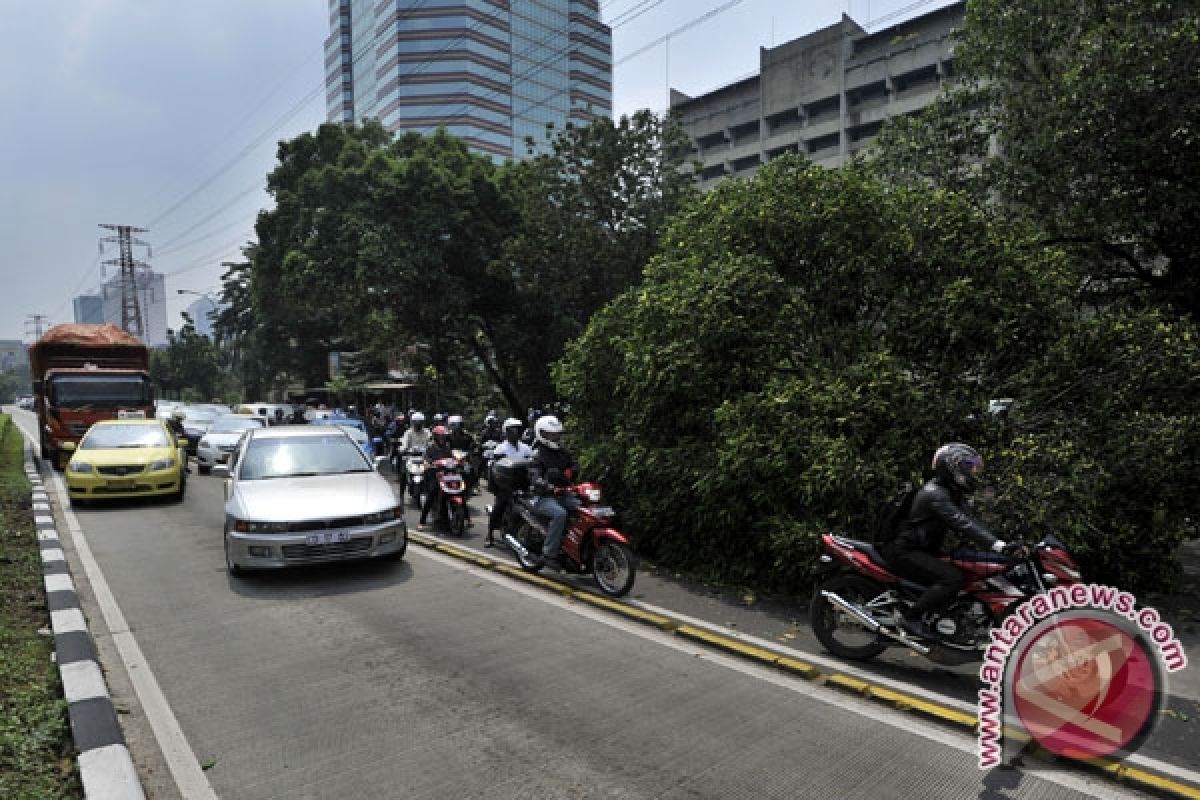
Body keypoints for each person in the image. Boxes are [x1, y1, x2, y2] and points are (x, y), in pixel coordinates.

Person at [883, 443, 1013, 640]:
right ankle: (911, 618)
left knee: (965, 567)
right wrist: (998, 546)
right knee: (952, 578)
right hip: (905, 551)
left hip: (923, 549)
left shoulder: (949, 491)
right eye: (968, 467)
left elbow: (973, 522)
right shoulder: (935, 494)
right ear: (951, 467)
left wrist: (1004, 543)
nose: (973, 473)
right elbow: (963, 524)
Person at [527, 415, 579, 569]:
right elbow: (534, 475)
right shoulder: (537, 453)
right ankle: (549, 553)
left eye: (556, 434)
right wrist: (546, 485)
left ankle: (573, 546)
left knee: (583, 508)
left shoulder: (563, 452)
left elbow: (574, 464)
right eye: (551, 435)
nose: (555, 438)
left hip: (563, 493)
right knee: (560, 514)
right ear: (541, 434)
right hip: (542, 496)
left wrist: (572, 471)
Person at [486, 417, 532, 547]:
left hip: (523, 483)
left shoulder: (526, 448)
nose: (515, 432)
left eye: (517, 430)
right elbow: (497, 467)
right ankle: (489, 535)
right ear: (506, 431)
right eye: (512, 430)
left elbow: (531, 464)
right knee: (499, 507)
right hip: (505, 485)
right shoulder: (501, 448)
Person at [418, 425, 454, 529]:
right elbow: (425, 458)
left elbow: (451, 458)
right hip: (433, 473)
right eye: (440, 436)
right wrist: (429, 463)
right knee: (432, 494)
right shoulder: (430, 447)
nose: (442, 438)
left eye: (443, 436)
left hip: (446, 474)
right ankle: (422, 521)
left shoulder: (447, 447)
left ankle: (465, 518)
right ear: (435, 436)